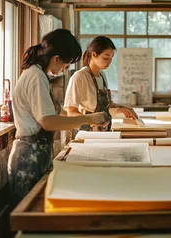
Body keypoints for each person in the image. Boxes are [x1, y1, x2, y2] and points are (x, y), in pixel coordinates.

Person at [7, 29, 107, 206]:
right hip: (29, 155)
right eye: (65, 65)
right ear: (56, 59)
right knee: (27, 212)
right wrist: (88, 119)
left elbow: (55, 112)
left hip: (37, 151)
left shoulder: (39, 74)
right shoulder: (36, 77)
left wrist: (83, 117)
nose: (64, 69)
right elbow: (48, 121)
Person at [64, 36, 137, 131]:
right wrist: (90, 120)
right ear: (94, 54)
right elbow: (71, 112)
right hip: (86, 133)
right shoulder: (79, 77)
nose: (109, 62)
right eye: (106, 57)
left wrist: (122, 109)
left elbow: (105, 107)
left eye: (111, 58)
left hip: (104, 130)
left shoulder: (102, 75)